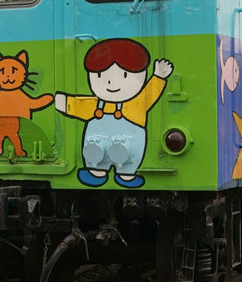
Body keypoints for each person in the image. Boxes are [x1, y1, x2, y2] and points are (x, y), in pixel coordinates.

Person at [54, 38, 173, 188]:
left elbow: (149, 94)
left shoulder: (135, 103)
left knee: (129, 161)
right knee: (95, 156)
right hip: (98, 148)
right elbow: (78, 105)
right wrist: (64, 102)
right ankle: (97, 171)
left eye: (124, 75)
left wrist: (158, 77)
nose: (111, 83)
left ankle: (126, 175)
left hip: (126, 145)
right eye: (100, 76)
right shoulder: (98, 104)